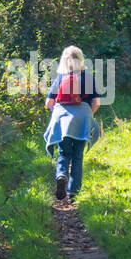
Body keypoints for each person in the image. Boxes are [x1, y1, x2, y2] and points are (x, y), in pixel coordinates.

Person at [43, 45, 103, 202]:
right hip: (83, 118)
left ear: (64, 60)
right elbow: (96, 103)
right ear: (81, 59)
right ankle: (73, 193)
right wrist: (88, 115)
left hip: (62, 119)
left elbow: (49, 102)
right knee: (77, 156)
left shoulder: (61, 78)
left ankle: (61, 174)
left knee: (63, 152)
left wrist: (58, 113)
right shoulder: (88, 78)